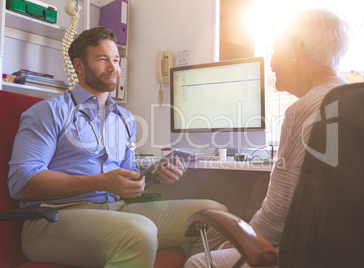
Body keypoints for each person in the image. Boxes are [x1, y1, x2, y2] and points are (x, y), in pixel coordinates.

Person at [8, 26, 227, 268]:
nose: (113, 68)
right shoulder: (48, 112)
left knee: (215, 215)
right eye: (102, 60)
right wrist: (101, 182)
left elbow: (125, 185)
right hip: (52, 219)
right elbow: (22, 183)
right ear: (79, 66)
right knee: (139, 232)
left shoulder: (125, 119)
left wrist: (154, 175)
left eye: (115, 59)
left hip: (115, 210)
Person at [185, 8, 351, 268]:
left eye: (274, 51)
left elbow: (276, 217)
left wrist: (238, 241)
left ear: (296, 48)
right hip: (363, 250)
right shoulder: (362, 101)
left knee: (199, 261)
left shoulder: (306, 109)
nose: (271, 63)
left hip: (309, 254)